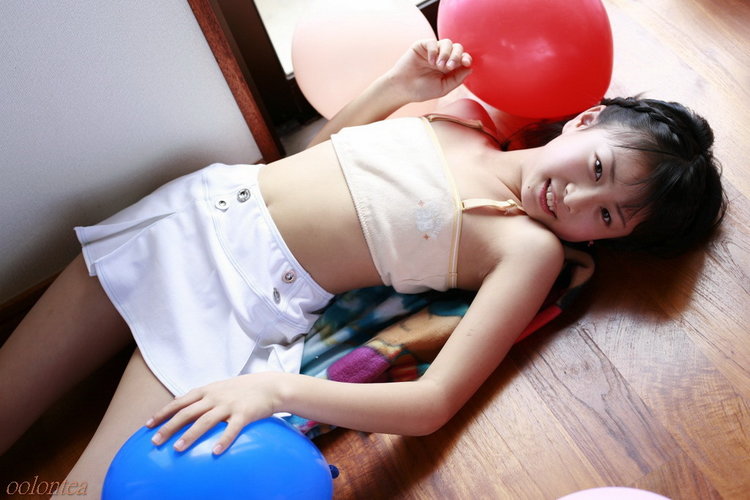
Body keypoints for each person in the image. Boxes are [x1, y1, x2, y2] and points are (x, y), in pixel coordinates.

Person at [0, 39, 725, 493]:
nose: (576, 200)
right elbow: (315, 155)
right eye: (596, 170)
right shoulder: (464, 117)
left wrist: (274, 391)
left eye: (606, 216)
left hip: (237, 301)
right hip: (189, 213)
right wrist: (398, 86)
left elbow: (432, 404)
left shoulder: (526, 249)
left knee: (90, 491)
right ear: (586, 121)